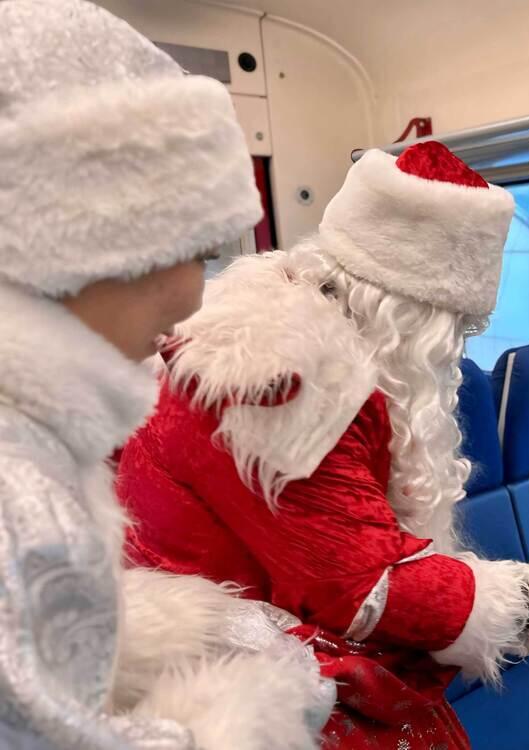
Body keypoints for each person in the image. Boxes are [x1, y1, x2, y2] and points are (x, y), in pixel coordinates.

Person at [115, 140, 529, 749]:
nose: (456, 351)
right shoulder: (286, 384)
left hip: (233, 599)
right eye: (453, 328)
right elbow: (368, 588)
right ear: (411, 310)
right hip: (221, 659)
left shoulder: (282, 329)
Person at [0, 1, 333, 747]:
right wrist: (242, 714)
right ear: (87, 248)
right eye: (194, 252)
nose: (193, 297)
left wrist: (194, 625)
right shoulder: (22, 494)